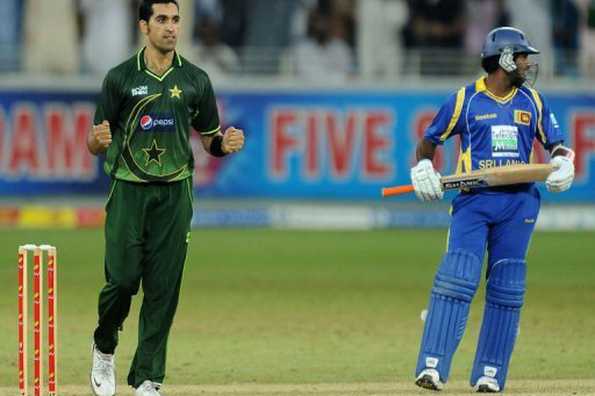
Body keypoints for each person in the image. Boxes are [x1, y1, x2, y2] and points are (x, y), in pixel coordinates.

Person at [86, 1, 245, 395]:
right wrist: (97, 140)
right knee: (121, 282)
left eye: (175, 19)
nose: (171, 27)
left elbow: (210, 141)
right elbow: (94, 140)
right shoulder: (120, 78)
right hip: (128, 190)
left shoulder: (195, 80)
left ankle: (147, 377)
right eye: (162, 19)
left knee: (163, 289)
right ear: (144, 26)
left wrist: (225, 143)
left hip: (175, 194)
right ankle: (104, 346)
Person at [411, 27, 574, 393]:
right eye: (520, 57)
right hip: (474, 201)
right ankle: (433, 366)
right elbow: (428, 141)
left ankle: (489, 374)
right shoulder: (464, 100)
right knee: (458, 278)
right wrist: (423, 167)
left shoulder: (532, 100)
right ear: (502, 59)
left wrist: (565, 163)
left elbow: (557, 146)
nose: (526, 64)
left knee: (507, 288)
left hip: (519, 204)